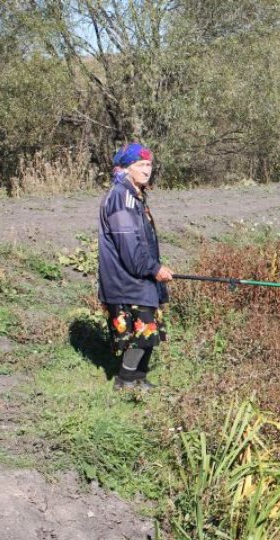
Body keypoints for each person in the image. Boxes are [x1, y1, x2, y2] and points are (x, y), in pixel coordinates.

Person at [98, 143, 173, 391]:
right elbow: (129, 247)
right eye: (140, 165)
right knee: (142, 332)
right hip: (126, 278)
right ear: (126, 168)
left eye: (149, 165)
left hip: (140, 276)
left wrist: (153, 269)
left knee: (149, 332)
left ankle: (139, 379)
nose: (147, 170)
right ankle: (126, 380)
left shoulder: (136, 195)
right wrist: (153, 269)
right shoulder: (122, 197)